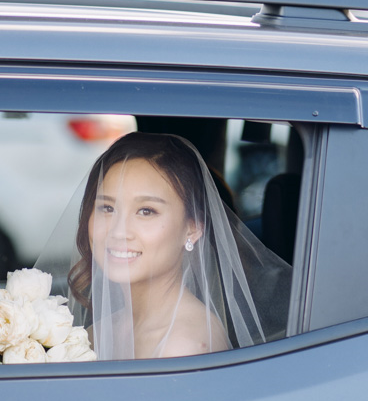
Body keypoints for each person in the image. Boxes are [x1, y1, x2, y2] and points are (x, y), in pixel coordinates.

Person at [53, 131, 291, 361]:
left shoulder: (184, 347)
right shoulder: (96, 333)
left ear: (193, 228)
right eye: (107, 208)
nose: (118, 231)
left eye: (146, 211)